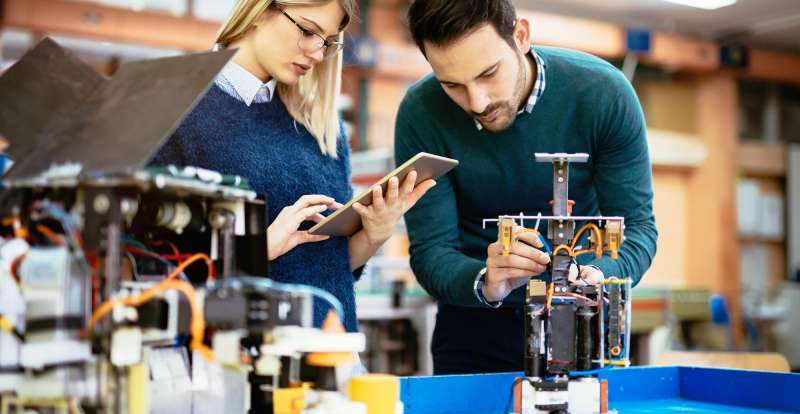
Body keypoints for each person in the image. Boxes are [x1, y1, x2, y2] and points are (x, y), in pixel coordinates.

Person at [395, 0, 658, 374]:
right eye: (452, 84)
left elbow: (638, 232)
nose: (477, 102)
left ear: (521, 36)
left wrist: (598, 275)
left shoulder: (603, 94)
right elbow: (431, 251)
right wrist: (487, 282)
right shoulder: (422, 112)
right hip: (473, 329)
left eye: (488, 74)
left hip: (582, 320)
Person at [150, 0, 434, 332]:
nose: (316, 53)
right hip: (240, 359)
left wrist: (373, 235)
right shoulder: (177, 109)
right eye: (308, 31)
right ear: (260, 11)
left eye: (327, 41)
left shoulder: (322, 127)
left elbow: (332, 265)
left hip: (334, 351)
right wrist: (256, 249)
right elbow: (155, 259)